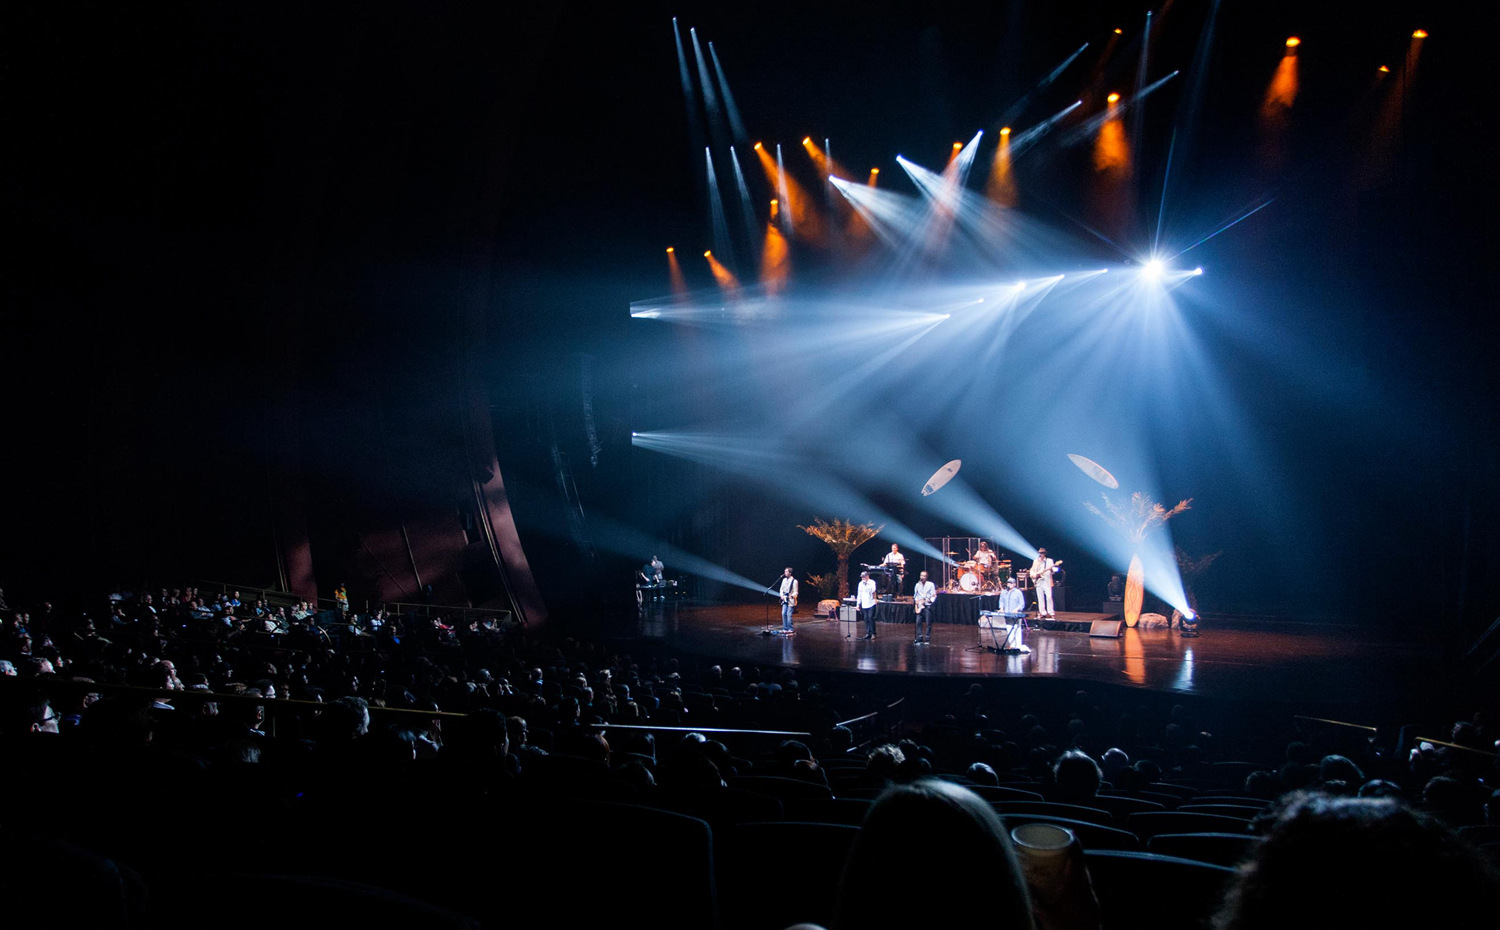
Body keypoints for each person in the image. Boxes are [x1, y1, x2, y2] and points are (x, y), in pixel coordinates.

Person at [1030, 549, 1058, 619]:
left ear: (1045, 554)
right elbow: (1032, 571)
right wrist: (1035, 575)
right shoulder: (1035, 561)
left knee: (1049, 597)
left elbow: (1053, 571)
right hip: (1039, 582)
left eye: (1042, 553)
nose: (1041, 554)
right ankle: (1042, 612)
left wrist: (1053, 569)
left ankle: (1051, 612)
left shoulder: (1049, 561)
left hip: (1046, 581)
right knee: (1040, 598)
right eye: (1040, 553)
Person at [912, 570, 937, 644]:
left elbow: (933, 596)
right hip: (919, 606)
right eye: (921, 575)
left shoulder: (930, 585)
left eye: (923, 576)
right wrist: (916, 601)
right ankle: (919, 637)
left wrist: (928, 601)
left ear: (926, 577)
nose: (922, 577)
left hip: (927, 606)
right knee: (918, 622)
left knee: (928, 623)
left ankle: (927, 638)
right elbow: (915, 595)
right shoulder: (917, 585)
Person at [857, 571, 879, 639]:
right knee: (866, 618)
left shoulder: (872, 582)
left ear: (867, 576)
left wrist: (867, 584)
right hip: (864, 603)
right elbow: (859, 595)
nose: (863, 578)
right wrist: (858, 604)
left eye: (864, 577)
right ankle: (868, 633)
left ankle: (873, 633)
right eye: (862, 577)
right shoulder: (860, 584)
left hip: (871, 603)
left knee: (870, 618)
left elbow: (873, 590)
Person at [778, 567, 799, 635]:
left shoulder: (794, 581)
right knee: (783, 613)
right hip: (784, 599)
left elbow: (796, 592)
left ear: (790, 573)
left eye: (786, 572)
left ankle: (790, 629)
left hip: (791, 600)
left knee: (788, 614)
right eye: (785, 571)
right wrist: (781, 595)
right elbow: (781, 589)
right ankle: (785, 628)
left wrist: (792, 596)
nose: (785, 573)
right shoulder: (784, 580)